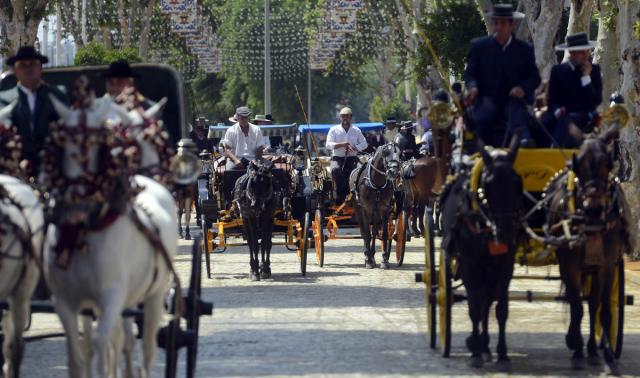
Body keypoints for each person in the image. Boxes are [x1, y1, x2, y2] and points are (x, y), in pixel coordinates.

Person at [464, 3, 541, 147]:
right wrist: (473, 87)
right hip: (487, 98)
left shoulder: (525, 49)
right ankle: (483, 149)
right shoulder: (479, 46)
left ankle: (524, 143)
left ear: (511, 25)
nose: (498, 27)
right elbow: (469, 75)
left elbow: (535, 77)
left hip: (513, 99)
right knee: (482, 116)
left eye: (503, 23)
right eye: (496, 23)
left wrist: (522, 88)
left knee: (516, 115)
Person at [0, 46, 68, 176]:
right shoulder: (4, 99)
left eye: (32, 63)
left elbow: (66, 127)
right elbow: (5, 129)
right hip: (15, 171)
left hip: (55, 170)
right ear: (15, 69)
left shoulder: (58, 95)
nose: (28, 68)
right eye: (22, 64)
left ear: (40, 67)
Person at [545, 32, 603, 147]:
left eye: (586, 51)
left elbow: (595, 101)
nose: (586, 55)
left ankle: (556, 149)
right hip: (561, 115)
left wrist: (586, 77)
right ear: (571, 53)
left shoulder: (594, 70)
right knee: (542, 122)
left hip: (585, 116)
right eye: (581, 52)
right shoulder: (558, 71)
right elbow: (552, 101)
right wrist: (558, 110)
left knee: (568, 119)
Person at [326, 107, 367, 204]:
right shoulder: (334, 130)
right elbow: (328, 145)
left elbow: (364, 144)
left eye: (347, 116)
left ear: (350, 117)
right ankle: (339, 196)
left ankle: (358, 196)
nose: (345, 118)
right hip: (337, 158)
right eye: (343, 116)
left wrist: (355, 147)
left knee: (361, 171)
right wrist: (342, 145)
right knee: (336, 170)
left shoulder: (356, 130)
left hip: (352, 158)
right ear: (340, 117)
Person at [220, 106, 266, 170]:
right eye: (242, 117)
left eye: (246, 117)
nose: (244, 119)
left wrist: (256, 160)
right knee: (228, 171)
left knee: (269, 170)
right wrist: (235, 160)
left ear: (248, 117)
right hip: (236, 160)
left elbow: (260, 147)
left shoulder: (256, 129)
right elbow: (227, 149)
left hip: (253, 159)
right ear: (237, 117)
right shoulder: (231, 130)